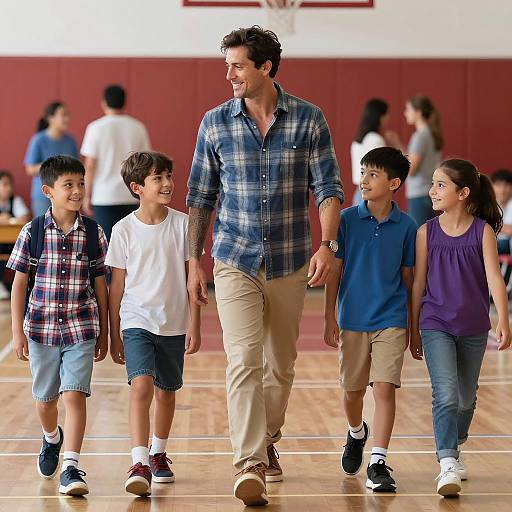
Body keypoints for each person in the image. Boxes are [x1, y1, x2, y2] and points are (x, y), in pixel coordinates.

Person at [187, 26, 343, 507]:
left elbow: (328, 188)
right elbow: (199, 198)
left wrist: (327, 244)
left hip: (292, 259)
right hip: (233, 258)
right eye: (228, 65)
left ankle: (268, 435)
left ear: (265, 68)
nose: (229, 74)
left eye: (237, 66)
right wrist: (195, 261)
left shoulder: (309, 119)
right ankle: (249, 461)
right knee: (243, 361)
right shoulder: (214, 123)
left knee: (281, 364)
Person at [8, 156, 108, 496]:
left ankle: (71, 466)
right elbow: (20, 283)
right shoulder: (32, 231)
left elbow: (100, 286)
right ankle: (52, 438)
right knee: (46, 400)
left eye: (81, 184)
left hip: (81, 327)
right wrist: (17, 331)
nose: (77, 191)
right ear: (48, 190)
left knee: (74, 395)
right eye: (69, 185)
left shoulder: (94, 233)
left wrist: (105, 331)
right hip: (41, 330)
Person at [410, 159, 511, 497]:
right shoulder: (426, 232)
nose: (432, 190)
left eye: (440, 185)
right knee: (447, 393)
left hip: (473, 326)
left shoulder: (482, 231)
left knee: (466, 399)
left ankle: (456, 441)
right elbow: (419, 282)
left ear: (463, 193)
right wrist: (413, 326)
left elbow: (495, 277)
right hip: (434, 322)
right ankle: (447, 461)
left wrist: (503, 319)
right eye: (433, 183)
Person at [106, 151, 201, 497]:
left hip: (174, 322)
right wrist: (113, 331)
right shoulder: (122, 230)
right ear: (137, 187)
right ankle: (139, 460)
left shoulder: (184, 224)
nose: (166, 184)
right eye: (157, 178)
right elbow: (116, 285)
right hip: (136, 321)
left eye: (168, 176)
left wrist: (196, 323)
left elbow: (195, 280)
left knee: (166, 392)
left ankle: (159, 453)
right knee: (141, 386)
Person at [324, 147, 415, 493]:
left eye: (373, 174)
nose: (364, 179)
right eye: (362, 172)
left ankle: (378, 461)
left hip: (391, 318)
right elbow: (335, 270)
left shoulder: (406, 226)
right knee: (352, 392)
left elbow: (409, 279)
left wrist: (412, 325)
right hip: (352, 319)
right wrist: (330, 315)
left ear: (394, 183)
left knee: (384, 388)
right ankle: (356, 432)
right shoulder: (346, 220)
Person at [81, 84, 151, 240]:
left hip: (104, 196)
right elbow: (146, 164)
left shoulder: (95, 127)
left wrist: (86, 195)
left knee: (106, 245)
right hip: (131, 194)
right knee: (130, 245)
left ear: (104, 102)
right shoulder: (138, 127)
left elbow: (90, 165)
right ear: (125, 102)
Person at [392, 95, 443, 226]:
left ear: (418, 112)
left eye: (408, 109)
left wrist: (396, 146)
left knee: (419, 235)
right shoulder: (429, 134)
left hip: (419, 194)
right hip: (426, 191)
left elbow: (411, 168)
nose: (405, 113)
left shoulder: (420, 136)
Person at [24, 102, 79, 217]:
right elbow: (29, 169)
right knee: (43, 232)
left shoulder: (71, 141)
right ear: (51, 118)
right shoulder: (38, 140)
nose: (67, 118)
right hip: (43, 197)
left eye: (68, 115)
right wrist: (54, 165)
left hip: (67, 195)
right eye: (63, 115)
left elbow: (76, 169)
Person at [350, 98, 398, 205]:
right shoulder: (376, 139)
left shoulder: (357, 140)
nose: (388, 117)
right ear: (380, 116)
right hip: (372, 193)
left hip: (359, 192)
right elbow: (384, 169)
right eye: (386, 114)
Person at [0, 170, 30, 299]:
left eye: (10, 184)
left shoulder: (16, 200)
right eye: (5, 184)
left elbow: (25, 217)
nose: (9, 188)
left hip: (13, 242)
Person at [490, 168, 512, 254]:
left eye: (506, 185)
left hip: (506, 244)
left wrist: (492, 224)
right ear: (492, 186)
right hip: (490, 241)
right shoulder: (488, 204)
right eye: (498, 185)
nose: (502, 190)